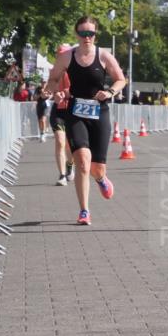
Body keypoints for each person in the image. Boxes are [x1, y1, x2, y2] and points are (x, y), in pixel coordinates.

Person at [45, 17, 126, 225]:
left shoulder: (104, 56)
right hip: (76, 112)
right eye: (83, 33)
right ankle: (84, 211)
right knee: (82, 160)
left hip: (99, 112)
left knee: (96, 168)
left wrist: (110, 92)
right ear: (77, 34)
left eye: (91, 33)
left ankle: (101, 178)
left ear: (95, 35)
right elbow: (53, 80)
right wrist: (55, 93)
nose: (87, 37)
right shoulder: (66, 57)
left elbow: (120, 79)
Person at [48, 45, 75, 186]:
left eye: (63, 54)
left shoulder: (75, 70)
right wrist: (52, 93)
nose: (60, 57)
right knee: (60, 142)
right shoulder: (54, 71)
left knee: (70, 146)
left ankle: (70, 165)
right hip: (58, 110)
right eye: (58, 54)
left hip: (72, 110)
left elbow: (78, 88)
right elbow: (50, 85)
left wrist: (65, 92)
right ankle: (62, 175)